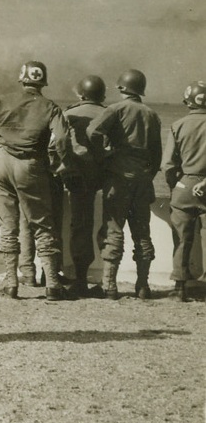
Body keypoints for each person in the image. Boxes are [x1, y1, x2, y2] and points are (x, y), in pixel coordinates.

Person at [0, 61, 73, 300]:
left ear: (22, 79)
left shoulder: (2, 100)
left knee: (8, 226)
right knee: (42, 224)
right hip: (30, 166)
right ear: (42, 81)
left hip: (1, 162)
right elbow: (62, 138)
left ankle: (12, 283)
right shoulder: (50, 107)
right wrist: (62, 162)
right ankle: (53, 284)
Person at [87, 69, 162, 300]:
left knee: (113, 230)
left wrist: (104, 156)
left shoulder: (116, 109)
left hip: (118, 178)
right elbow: (157, 154)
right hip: (142, 180)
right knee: (142, 233)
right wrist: (147, 175)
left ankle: (110, 287)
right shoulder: (152, 114)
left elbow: (92, 131)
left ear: (121, 88)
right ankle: (143, 286)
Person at [61, 75, 109, 297]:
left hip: (76, 178)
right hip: (104, 177)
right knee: (110, 227)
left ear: (81, 94)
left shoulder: (68, 115)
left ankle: (80, 278)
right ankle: (109, 280)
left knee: (80, 226)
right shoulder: (110, 114)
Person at [163, 82, 206, 302]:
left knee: (181, 239)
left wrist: (176, 186)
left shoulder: (178, 125)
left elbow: (168, 165)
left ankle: (180, 288)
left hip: (185, 186)